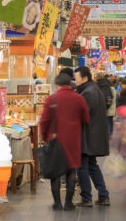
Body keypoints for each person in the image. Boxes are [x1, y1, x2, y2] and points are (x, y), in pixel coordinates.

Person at [38, 73, 89, 211]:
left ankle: (57, 203)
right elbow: (86, 118)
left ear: (57, 85)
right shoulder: (79, 98)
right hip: (73, 140)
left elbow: (44, 121)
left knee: (55, 173)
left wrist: (44, 137)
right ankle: (69, 203)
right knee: (71, 171)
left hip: (55, 140)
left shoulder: (52, 99)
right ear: (70, 84)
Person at [74, 66, 110, 207]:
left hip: (88, 135)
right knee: (92, 165)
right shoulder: (93, 90)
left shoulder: (88, 93)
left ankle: (86, 198)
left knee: (82, 166)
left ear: (85, 78)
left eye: (76, 79)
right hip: (93, 134)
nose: (75, 81)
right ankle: (103, 195)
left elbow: (81, 115)